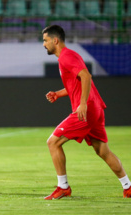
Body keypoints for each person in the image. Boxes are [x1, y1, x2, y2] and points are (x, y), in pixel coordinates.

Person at [42, 25, 131, 199]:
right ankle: (128, 186)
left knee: (53, 142)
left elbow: (86, 76)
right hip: (95, 108)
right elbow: (76, 83)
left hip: (87, 109)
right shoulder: (68, 57)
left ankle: (63, 187)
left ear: (55, 40)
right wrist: (58, 94)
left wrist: (82, 104)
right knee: (102, 151)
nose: (44, 44)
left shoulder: (66, 57)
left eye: (45, 40)